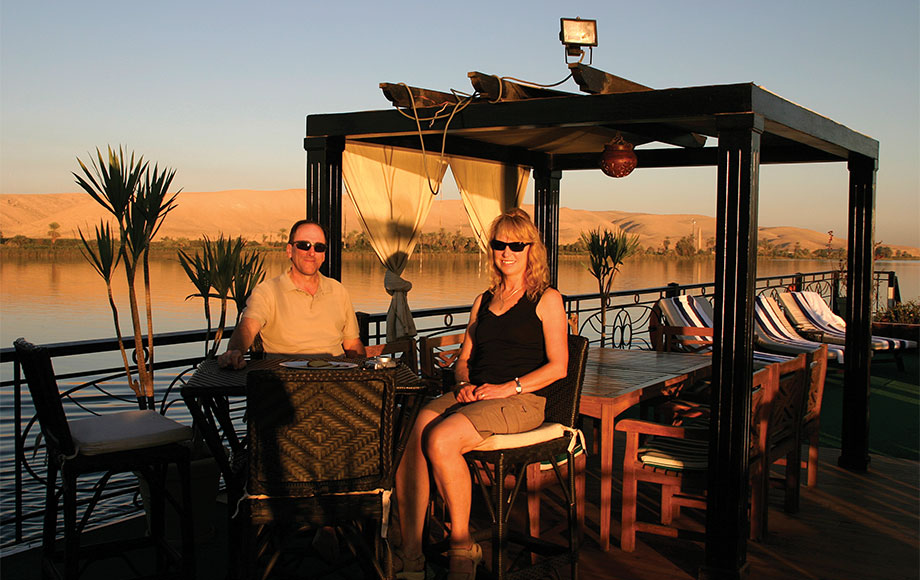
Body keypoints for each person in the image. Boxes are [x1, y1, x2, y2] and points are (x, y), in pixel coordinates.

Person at [393, 209, 569, 580]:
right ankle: (411, 552)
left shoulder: (546, 298)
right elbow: (464, 360)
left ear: (530, 250)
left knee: (440, 439)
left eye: (515, 245)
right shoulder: (483, 300)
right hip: (477, 394)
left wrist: (508, 387)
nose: (506, 252)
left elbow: (559, 367)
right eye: (499, 244)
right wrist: (462, 384)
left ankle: (461, 546)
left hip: (520, 399)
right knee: (414, 428)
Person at [217, 220, 366, 369]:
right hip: (287, 381)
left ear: (324, 255)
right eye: (304, 245)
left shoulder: (338, 291)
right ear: (289, 250)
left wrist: (363, 371)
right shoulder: (268, 292)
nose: (311, 252)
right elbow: (248, 328)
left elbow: (352, 343)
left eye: (319, 247)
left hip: (335, 379)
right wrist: (235, 352)